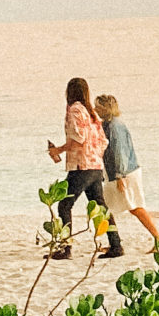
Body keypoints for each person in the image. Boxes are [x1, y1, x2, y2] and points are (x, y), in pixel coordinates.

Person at [45, 75, 122, 261]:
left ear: (69, 92)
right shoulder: (92, 113)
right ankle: (116, 245)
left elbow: (77, 139)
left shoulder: (75, 110)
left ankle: (66, 248)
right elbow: (102, 141)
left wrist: (58, 150)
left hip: (82, 166)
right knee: (101, 207)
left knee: (64, 205)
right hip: (95, 165)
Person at [95, 92, 159, 252]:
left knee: (135, 207)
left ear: (106, 108)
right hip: (119, 173)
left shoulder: (114, 126)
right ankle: (114, 242)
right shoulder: (108, 124)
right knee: (106, 207)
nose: (95, 109)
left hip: (125, 173)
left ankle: (158, 238)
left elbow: (120, 152)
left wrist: (120, 176)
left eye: (98, 106)